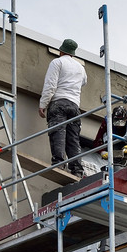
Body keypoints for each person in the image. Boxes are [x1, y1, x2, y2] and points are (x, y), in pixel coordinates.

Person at [38, 39, 87, 177]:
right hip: (74, 105)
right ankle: (77, 169)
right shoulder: (81, 68)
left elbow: (50, 85)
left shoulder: (57, 62)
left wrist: (43, 104)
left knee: (58, 132)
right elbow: (84, 81)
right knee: (73, 137)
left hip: (59, 102)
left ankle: (59, 164)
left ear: (61, 50)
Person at [94, 105, 127, 174]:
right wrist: (102, 152)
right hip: (118, 147)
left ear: (126, 118)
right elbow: (97, 141)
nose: (118, 125)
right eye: (116, 122)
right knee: (115, 158)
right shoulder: (107, 121)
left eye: (121, 122)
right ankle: (117, 168)